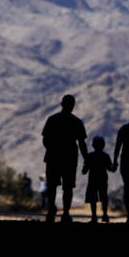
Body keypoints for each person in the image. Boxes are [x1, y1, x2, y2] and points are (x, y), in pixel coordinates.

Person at [41, 94, 88, 223]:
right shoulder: (77, 122)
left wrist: (53, 149)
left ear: (61, 104)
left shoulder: (52, 119)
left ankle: (51, 211)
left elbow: (45, 140)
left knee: (52, 186)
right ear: (73, 106)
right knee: (68, 187)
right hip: (70, 158)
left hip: (53, 157)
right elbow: (82, 144)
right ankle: (66, 214)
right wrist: (86, 159)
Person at [81, 136, 115, 223]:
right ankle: (105, 215)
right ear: (103, 145)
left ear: (93, 145)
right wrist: (115, 165)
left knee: (93, 199)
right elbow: (111, 169)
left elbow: (84, 171)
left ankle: (94, 217)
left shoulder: (90, 156)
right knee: (103, 197)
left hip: (92, 179)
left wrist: (84, 166)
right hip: (103, 179)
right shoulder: (106, 156)